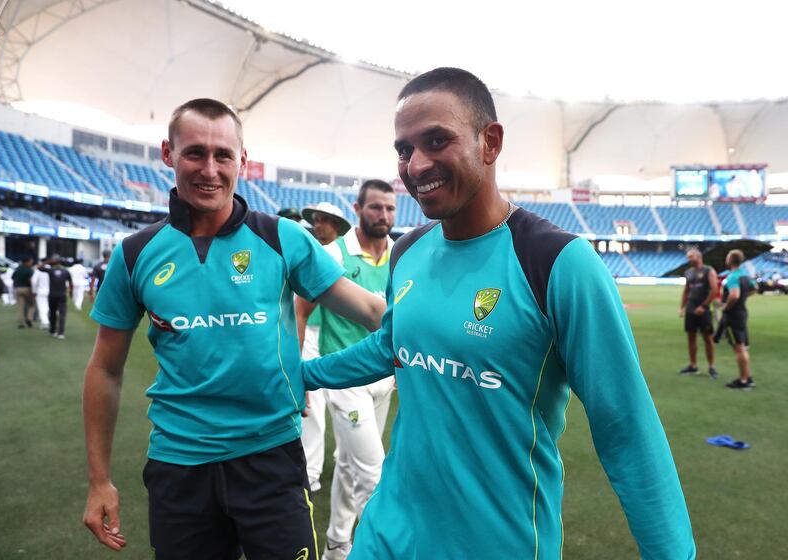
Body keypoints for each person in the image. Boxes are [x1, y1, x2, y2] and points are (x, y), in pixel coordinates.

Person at [302, 67, 695, 559]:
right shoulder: (408, 252)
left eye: (436, 141)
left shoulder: (557, 263)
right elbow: (391, 346)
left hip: (497, 542)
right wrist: (301, 375)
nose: (416, 165)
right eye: (404, 149)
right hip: (387, 532)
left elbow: (626, 428)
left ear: (490, 142)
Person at [81, 98, 385, 560]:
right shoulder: (135, 253)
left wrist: (438, 329)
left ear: (242, 161)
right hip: (180, 465)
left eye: (223, 155)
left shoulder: (281, 237)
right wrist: (99, 480)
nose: (210, 169)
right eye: (194, 153)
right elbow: (104, 368)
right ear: (168, 154)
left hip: (271, 457)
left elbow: (366, 307)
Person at [297, 182, 397, 560]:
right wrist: (298, 369)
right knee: (373, 476)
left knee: (346, 464)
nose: (383, 216)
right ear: (357, 208)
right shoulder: (333, 253)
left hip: (382, 378)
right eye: (375, 207)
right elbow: (300, 309)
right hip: (344, 380)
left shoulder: (400, 254)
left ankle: (337, 546)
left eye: (389, 208)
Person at [295, 201, 352, 495]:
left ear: (337, 226)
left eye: (324, 221)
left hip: (335, 334)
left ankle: (339, 459)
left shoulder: (340, 253)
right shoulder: (308, 250)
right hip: (313, 333)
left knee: (340, 399)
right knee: (315, 406)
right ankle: (313, 470)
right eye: (316, 220)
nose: (318, 225)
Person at [715, 250, 755, 389]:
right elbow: (754, 288)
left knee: (739, 348)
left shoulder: (732, 277)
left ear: (730, 260)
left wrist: (726, 306)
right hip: (742, 312)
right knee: (742, 347)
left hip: (733, 316)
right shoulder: (745, 275)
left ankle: (743, 380)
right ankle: (747, 377)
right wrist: (744, 298)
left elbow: (734, 295)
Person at [679, 248, 719, 378]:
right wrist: (682, 307)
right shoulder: (688, 272)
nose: (688, 259)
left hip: (704, 310)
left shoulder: (708, 271)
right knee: (691, 337)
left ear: (698, 256)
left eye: (691, 257)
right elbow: (686, 291)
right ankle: (693, 365)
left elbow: (714, 290)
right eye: (688, 257)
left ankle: (712, 366)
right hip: (691, 309)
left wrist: (704, 306)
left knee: (708, 338)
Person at [42, 254, 72, 339]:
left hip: (52, 295)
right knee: (62, 314)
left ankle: (53, 330)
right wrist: (71, 292)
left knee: (52, 313)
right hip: (62, 295)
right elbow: (70, 282)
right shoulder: (65, 271)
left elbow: (39, 267)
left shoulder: (51, 270)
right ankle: (61, 332)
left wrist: (47, 261)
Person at [11, 257, 35, 328]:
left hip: (18, 288)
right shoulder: (29, 270)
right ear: (26, 262)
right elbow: (31, 280)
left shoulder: (17, 269)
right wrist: (33, 290)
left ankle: (21, 323)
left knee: (21, 307)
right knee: (32, 304)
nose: (31, 263)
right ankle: (29, 318)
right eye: (30, 262)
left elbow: (13, 277)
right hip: (27, 288)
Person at [31, 259, 51, 330]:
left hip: (41, 291)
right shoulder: (50, 269)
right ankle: (46, 321)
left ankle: (45, 322)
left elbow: (34, 282)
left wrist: (34, 291)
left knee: (42, 308)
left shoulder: (38, 270)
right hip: (50, 291)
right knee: (48, 307)